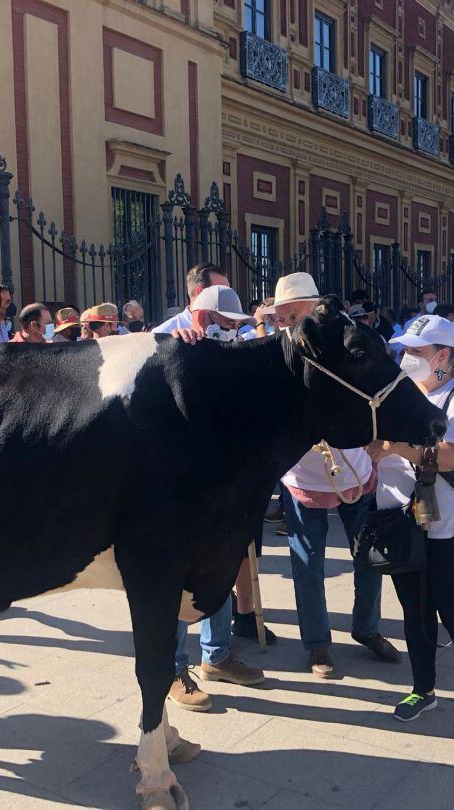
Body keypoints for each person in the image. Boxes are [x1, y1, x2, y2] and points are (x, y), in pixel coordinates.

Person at [261, 273, 401, 678]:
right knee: (308, 562)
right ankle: (318, 644)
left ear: (316, 310)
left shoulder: (347, 343)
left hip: (355, 466)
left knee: (369, 556)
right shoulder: (275, 355)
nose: (288, 322)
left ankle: (367, 629)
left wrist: (379, 446)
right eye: (282, 316)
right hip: (302, 474)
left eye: (295, 313)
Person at [369, 314, 454, 743]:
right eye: (403, 350)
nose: (406, 358)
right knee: (416, 613)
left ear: (445, 356)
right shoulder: (396, 397)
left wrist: (391, 446)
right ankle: (423, 689)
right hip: (403, 524)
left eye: (416, 351)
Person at [169, 286, 266, 711]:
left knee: (220, 568)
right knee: (176, 582)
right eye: (228, 325)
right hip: (179, 488)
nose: (234, 333)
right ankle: (172, 669)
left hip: (224, 482)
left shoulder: (223, 348)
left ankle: (218, 655)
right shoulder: (168, 342)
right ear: (205, 318)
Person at [154, 263, 230, 335]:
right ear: (200, 293)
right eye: (221, 290)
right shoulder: (163, 334)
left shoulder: (231, 331)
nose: (229, 296)